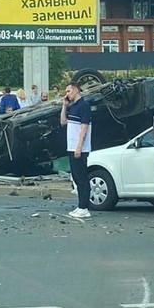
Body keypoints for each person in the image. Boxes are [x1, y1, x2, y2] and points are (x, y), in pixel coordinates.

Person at [60, 82, 92, 220]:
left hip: (79, 148)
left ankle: (84, 207)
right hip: (71, 146)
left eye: (68, 91)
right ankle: (81, 206)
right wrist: (64, 106)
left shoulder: (84, 106)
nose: (67, 94)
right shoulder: (73, 107)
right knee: (76, 177)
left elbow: (84, 128)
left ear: (76, 90)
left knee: (81, 177)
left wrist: (79, 146)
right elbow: (63, 122)